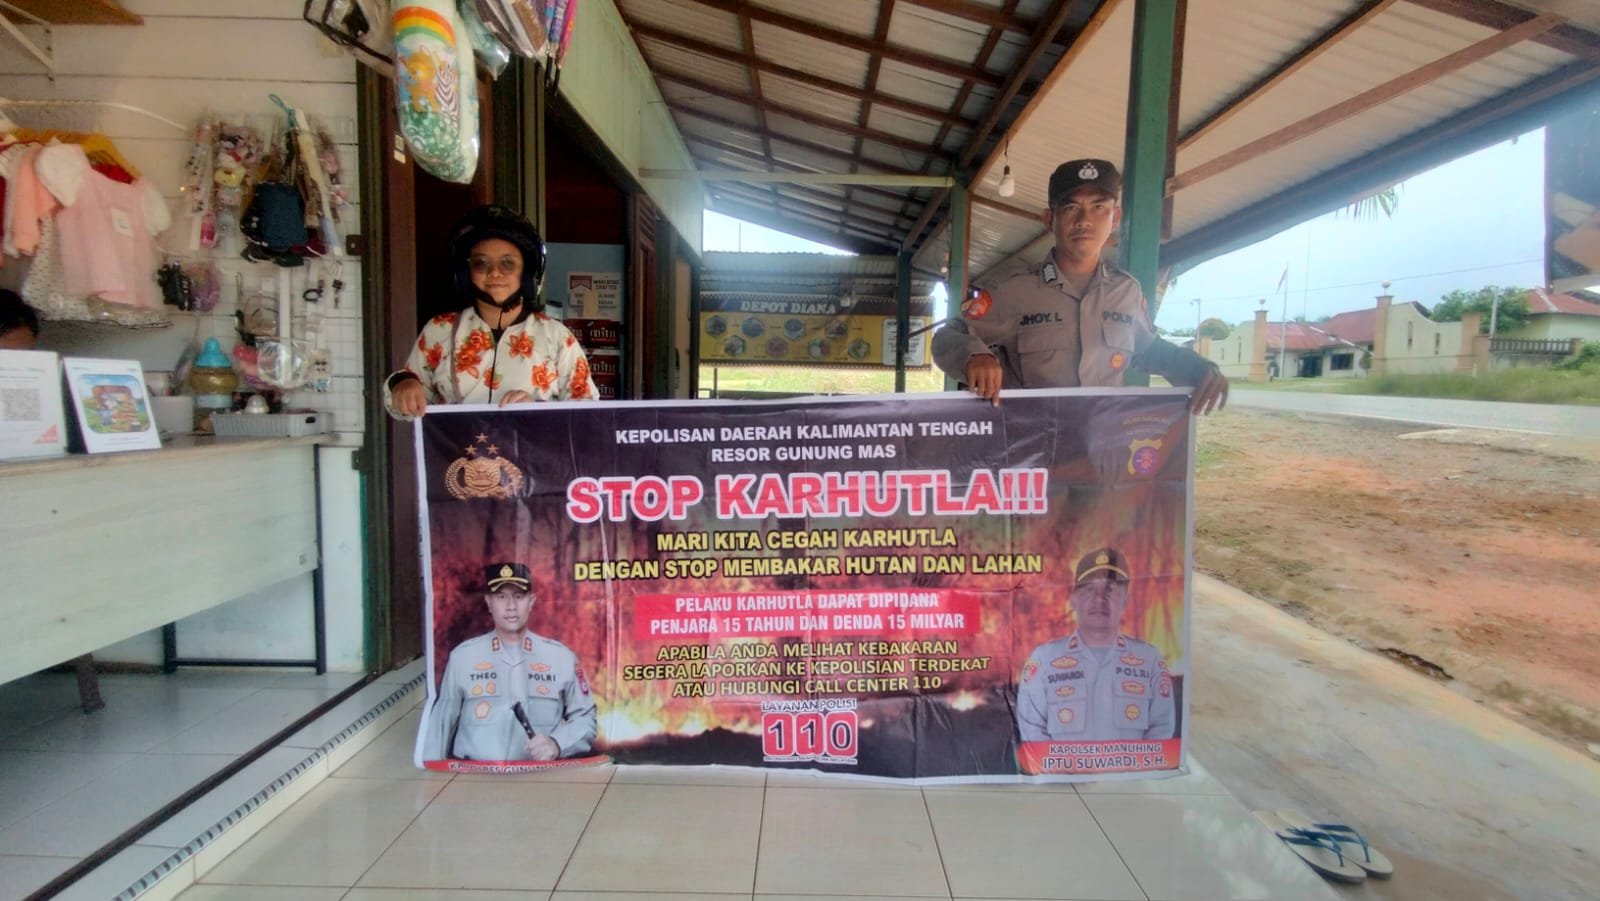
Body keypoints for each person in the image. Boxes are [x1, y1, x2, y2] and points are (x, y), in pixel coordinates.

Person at [932, 160, 1227, 414]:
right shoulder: (1014, 290)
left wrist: (1194, 368)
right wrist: (975, 356)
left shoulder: (1126, 292)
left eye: (1098, 207)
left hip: (1103, 449)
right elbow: (948, 336)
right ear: (1050, 219)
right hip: (1031, 450)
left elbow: (1147, 349)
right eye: (1071, 207)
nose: (1085, 220)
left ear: (1115, 218)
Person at [386, 205, 594, 418]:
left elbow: (588, 418)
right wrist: (402, 385)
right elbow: (403, 411)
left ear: (527, 272)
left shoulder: (557, 337)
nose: (495, 272)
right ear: (466, 273)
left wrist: (537, 411)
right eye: (481, 263)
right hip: (458, 442)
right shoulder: (440, 330)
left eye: (508, 263)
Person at [421, 562, 597, 761]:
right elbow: (440, 726)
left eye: (519, 596)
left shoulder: (560, 658)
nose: (511, 606)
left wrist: (557, 744)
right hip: (473, 773)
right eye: (501, 596)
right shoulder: (463, 657)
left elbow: (585, 718)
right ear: (488, 602)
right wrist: (430, 771)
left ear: (531, 601)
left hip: (540, 774)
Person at [1016, 547, 1175, 743]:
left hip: (1131, 764)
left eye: (1110, 589)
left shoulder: (1150, 659)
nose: (1099, 598)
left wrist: (1129, 762)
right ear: (1074, 600)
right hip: (1061, 765)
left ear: (1125, 600)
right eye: (1089, 588)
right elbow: (1032, 730)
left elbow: (1161, 727)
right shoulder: (1044, 659)